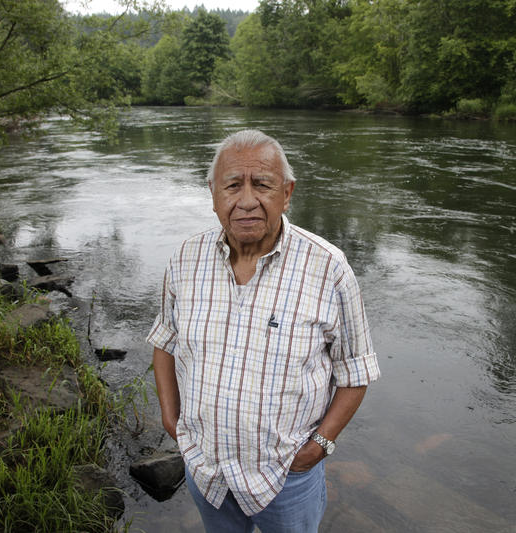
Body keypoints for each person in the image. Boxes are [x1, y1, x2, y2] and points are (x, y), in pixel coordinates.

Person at [147, 129, 380, 533]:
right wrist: (172, 419)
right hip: (205, 469)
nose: (247, 201)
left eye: (263, 185)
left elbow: (355, 373)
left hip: (286, 476)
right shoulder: (185, 259)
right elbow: (165, 342)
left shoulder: (329, 268)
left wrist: (319, 446)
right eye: (233, 185)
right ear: (213, 193)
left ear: (286, 193)